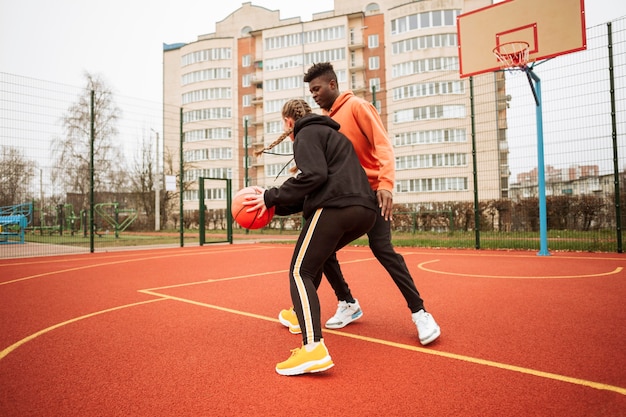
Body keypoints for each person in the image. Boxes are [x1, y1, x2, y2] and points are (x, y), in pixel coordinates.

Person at [278, 62, 441, 346]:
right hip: (345, 196)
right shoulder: (325, 121)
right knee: (322, 250)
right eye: (310, 91)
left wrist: (386, 185)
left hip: (373, 193)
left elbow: (383, 145)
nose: (314, 95)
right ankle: (348, 302)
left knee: (383, 249)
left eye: (317, 89)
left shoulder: (357, 107)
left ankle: (420, 313)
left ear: (332, 84)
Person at [245, 98, 378, 376]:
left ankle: (313, 348)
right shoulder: (330, 133)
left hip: (337, 207)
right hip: (364, 210)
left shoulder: (305, 134)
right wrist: (275, 205)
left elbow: (314, 177)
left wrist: (270, 195)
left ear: (288, 121)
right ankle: (298, 314)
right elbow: (312, 187)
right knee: (319, 258)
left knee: (299, 271)